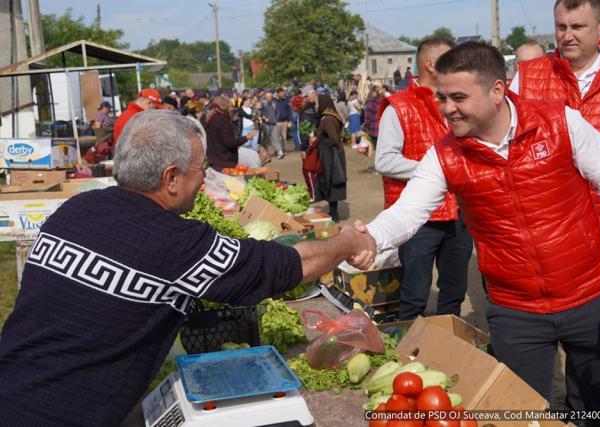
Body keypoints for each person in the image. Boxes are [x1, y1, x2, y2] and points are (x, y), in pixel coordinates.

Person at [0, 110, 375, 427]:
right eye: (201, 170)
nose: (203, 180)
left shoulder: (75, 210)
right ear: (171, 178)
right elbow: (281, 266)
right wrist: (345, 242)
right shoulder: (174, 241)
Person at [354, 42, 600, 425]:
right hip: (515, 310)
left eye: (458, 97)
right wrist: (370, 237)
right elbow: (408, 211)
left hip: (587, 296)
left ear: (497, 90)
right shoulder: (445, 154)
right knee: (520, 415)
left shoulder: (561, 123)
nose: (446, 108)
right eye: (441, 97)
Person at [510, 1, 600, 412]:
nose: (567, 34)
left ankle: (590, 412)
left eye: (578, 26)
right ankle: (545, 414)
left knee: (598, 334)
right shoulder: (528, 77)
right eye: (560, 25)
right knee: (543, 325)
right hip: (545, 226)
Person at [375, 38, 473, 319]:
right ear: (430, 64)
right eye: (450, 59)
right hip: (419, 216)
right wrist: (436, 171)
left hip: (458, 212)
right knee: (414, 294)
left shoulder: (457, 102)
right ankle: (409, 355)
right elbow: (384, 160)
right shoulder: (399, 107)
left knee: (454, 291)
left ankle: (448, 347)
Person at [315, 94, 347, 222]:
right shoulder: (328, 116)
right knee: (329, 181)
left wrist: (320, 139)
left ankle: (334, 214)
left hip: (331, 155)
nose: (317, 105)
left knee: (332, 180)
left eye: (319, 102)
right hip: (329, 153)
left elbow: (334, 138)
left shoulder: (328, 119)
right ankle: (332, 211)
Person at [205, 96, 258, 171]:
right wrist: (246, 137)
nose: (232, 109)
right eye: (230, 106)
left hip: (214, 159)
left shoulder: (211, 118)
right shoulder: (223, 121)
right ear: (224, 107)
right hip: (223, 161)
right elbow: (230, 142)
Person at [261, 91, 285, 159]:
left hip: (274, 124)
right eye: (268, 96)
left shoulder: (274, 103)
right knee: (266, 139)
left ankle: (279, 152)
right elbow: (260, 112)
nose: (269, 98)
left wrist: (276, 119)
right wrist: (263, 117)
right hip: (265, 124)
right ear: (265, 97)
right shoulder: (263, 104)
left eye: (270, 96)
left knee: (276, 138)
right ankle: (265, 153)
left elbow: (277, 112)